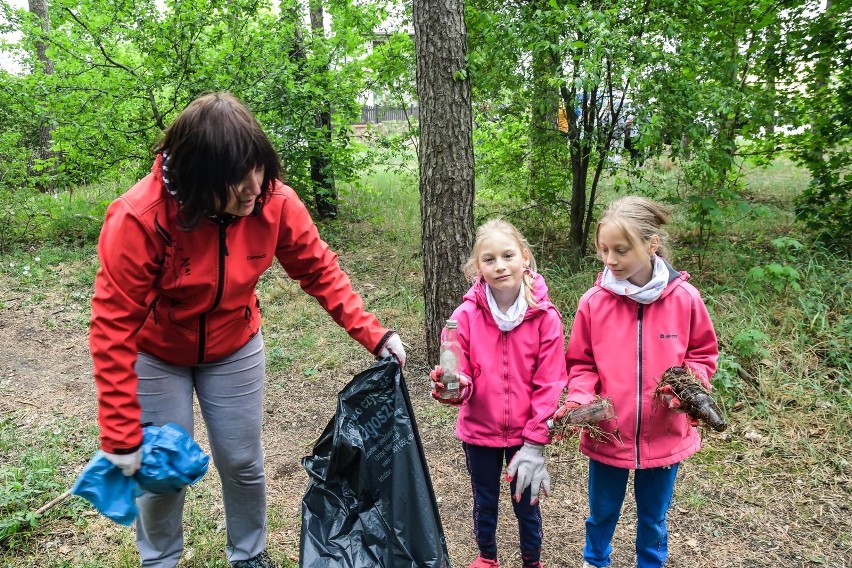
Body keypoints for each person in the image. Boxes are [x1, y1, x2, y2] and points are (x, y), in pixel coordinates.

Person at [88, 92, 406, 568]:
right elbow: (112, 326)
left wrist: (374, 335)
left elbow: (319, 270)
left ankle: (249, 555)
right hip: (155, 352)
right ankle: (159, 559)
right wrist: (119, 432)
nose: (252, 190)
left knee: (241, 462)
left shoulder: (273, 199)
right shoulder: (140, 216)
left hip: (234, 345)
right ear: (198, 181)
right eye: (236, 182)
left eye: (257, 170)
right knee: (161, 471)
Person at [553, 196, 718, 568]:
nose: (610, 260)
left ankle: (651, 563)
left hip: (665, 431)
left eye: (621, 251)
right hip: (609, 431)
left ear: (652, 244)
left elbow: (702, 354)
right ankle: (595, 561)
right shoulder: (594, 302)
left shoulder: (685, 299)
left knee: (653, 517)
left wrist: (690, 386)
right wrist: (581, 398)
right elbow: (580, 362)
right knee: (602, 513)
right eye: (604, 250)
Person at [429, 219, 567, 568]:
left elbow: (550, 382)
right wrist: (455, 388)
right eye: (489, 259)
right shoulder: (464, 316)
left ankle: (531, 560)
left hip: (526, 434)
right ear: (478, 268)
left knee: (527, 501)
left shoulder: (545, 318)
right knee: (485, 499)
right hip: (480, 432)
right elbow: (463, 376)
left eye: (508, 255)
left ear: (524, 258)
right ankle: (487, 557)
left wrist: (536, 440)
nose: (500, 265)